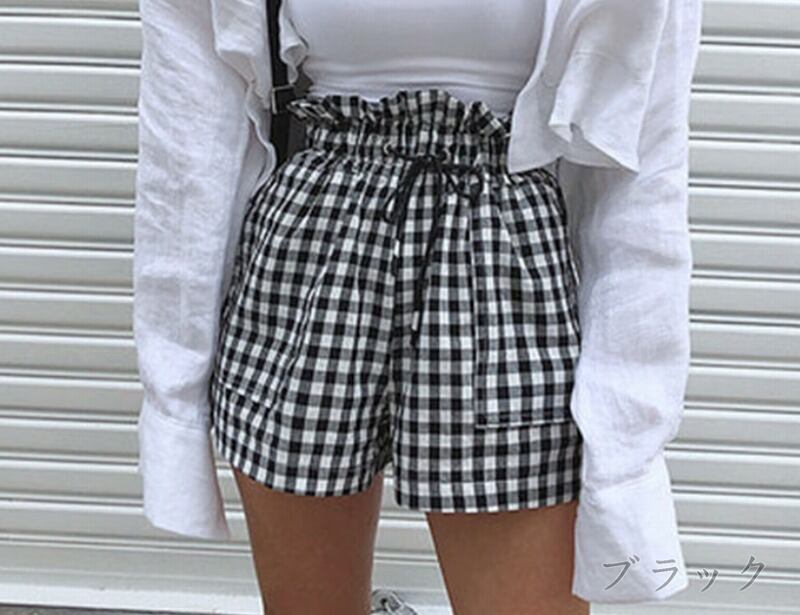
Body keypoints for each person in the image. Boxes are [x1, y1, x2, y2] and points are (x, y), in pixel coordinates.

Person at [132, 1, 703, 613]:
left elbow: (641, 167)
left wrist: (627, 442)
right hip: (310, 254)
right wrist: (174, 390)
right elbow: (189, 126)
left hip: (505, 268)